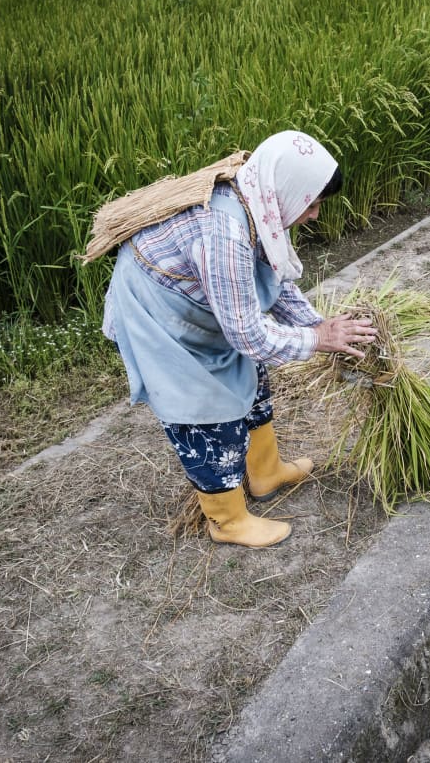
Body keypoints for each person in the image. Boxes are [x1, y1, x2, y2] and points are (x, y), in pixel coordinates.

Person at [93, 130, 377, 548]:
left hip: (194, 299)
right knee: (205, 410)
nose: (314, 214)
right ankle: (226, 522)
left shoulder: (257, 196)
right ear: (286, 192)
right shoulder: (223, 231)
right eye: (311, 203)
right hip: (158, 312)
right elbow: (249, 335)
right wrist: (318, 340)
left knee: (253, 378)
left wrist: (322, 325)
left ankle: (265, 473)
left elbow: (274, 277)